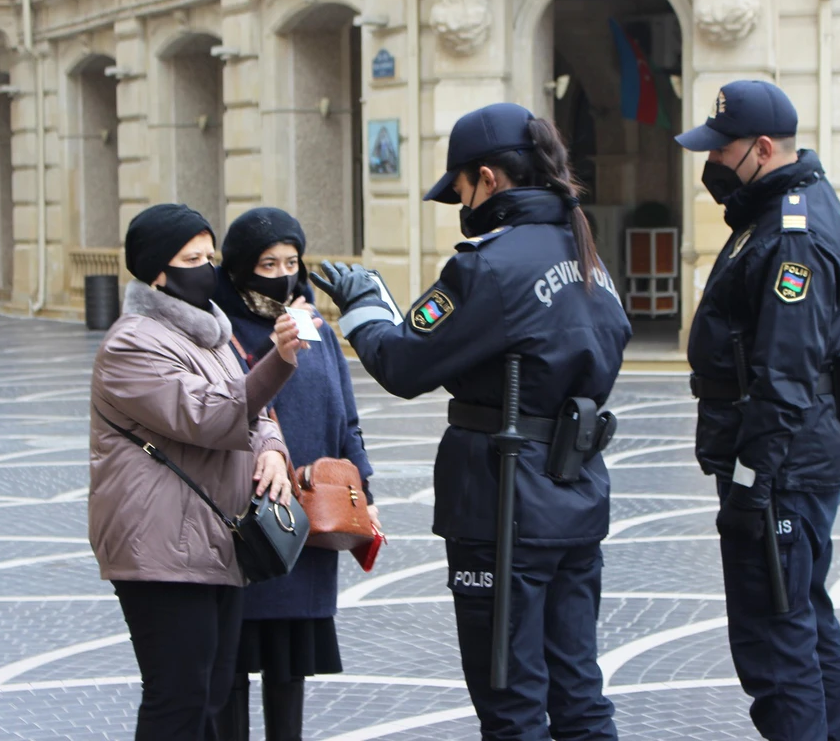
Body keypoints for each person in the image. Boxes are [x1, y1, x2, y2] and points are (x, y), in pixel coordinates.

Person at [311, 102, 632, 741]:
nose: (461, 203)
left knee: (509, 698)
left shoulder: (488, 264)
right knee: (578, 690)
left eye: (459, 189)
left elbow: (404, 363)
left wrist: (366, 306)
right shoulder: (586, 251)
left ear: (487, 179)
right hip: (574, 491)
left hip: (504, 503)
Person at [675, 80, 840, 741]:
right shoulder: (776, 209)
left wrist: (753, 482)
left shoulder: (792, 233)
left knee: (776, 638)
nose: (712, 165)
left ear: (760, 149)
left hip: (781, 464)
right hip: (793, 457)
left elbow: (784, 374)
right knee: (800, 615)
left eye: (721, 151)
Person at [89, 202, 309, 741]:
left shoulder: (211, 333)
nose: (209, 268)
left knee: (208, 695)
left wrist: (274, 451)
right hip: (159, 545)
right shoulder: (131, 342)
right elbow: (209, 415)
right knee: (178, 699)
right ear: (158, 271)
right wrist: (278, 360)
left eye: (211, 255)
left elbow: (255, 414)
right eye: (193, 258)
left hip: (216, 537)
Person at [211, 206, 380, 741]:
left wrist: (364, 492)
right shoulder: (218, 331)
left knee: (289, 668)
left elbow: (346, 420)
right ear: (239, 268)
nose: (283, 274)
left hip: (309, 520)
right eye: (267, 263)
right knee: (230, 667)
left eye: (291, 260)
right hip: (245, 517)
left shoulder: (319, 332)